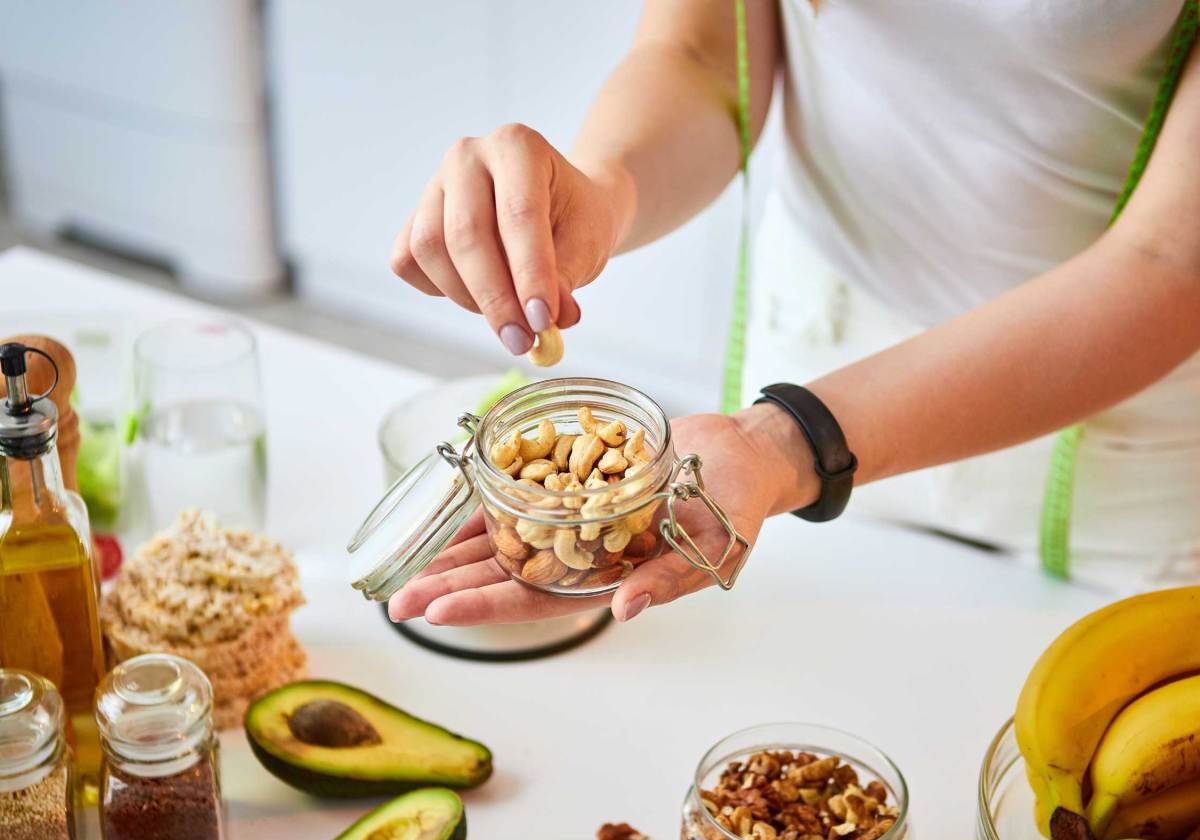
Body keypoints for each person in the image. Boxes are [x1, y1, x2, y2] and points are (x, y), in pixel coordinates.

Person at [387, 0, 1200, 626]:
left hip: (1115, 415)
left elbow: (1171, 261)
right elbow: (700, 54)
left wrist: (788, 439)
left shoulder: (776, 442)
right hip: (814, 353)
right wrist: (605, 188)